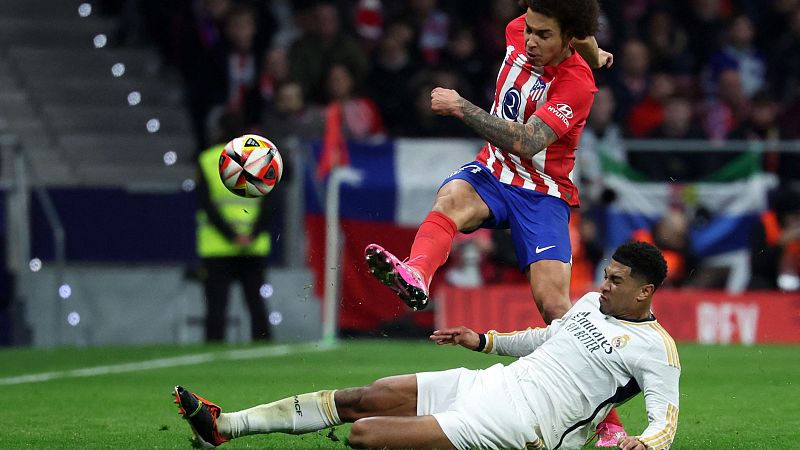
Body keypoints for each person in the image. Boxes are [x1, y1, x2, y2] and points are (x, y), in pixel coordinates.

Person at [364, 0, 624, 442]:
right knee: (449, 199)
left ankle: (609, 423)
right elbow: (572, 29)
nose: (530, 41)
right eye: (530, 30)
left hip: (542, 192)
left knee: (557, 310)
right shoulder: (518, 29)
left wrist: (460, 105)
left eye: (544, 35)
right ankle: (417, 275)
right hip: (493, 171)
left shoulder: (577, 84)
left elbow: (527, 141)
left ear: (568, 38)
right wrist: (597, 49)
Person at [174, 241, 680, 450]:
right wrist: (480, 341)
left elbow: (666, 421)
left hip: (523, 424)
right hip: (491, 384)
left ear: (646, 291)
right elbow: (543, 339)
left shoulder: (655, 348)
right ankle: (225, 427)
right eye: (607, 275)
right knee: (366, 397)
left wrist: (644, 442)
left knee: (364, 436)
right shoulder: (591, 304)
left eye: (617, 281)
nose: (605, 284)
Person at [195, 111, 276, 342]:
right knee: (256, 304)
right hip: (253, 245)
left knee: (216, 305)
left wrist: (231, 235)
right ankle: (264, 347)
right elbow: (271, 203)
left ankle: (213, 351)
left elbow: (206, 205)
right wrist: (252, 234)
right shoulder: (259, 158)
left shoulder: (208, 159)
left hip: (217, 245)